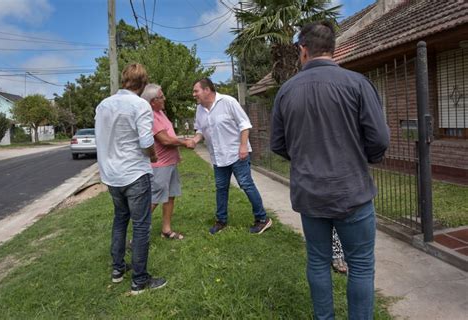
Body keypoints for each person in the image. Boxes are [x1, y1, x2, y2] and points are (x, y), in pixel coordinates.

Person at [271, 21, 389, 319]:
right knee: (361, 265)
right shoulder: (358, 83)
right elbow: (379, 139)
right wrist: (359, 160)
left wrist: (304, 159)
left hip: (310, 195)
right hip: (353, 191)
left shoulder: (286, 91)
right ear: (333, 49)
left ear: (303, 50)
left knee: (318, 261)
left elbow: (277, 144)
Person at [95, 63, 167, 295]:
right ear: (144, 83)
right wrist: (154, 157)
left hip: (111, 175)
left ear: (124, 80)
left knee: (119, 220)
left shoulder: (103, 105)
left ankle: (117, 270)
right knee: (141, 226)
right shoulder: (140, 106)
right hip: (134, 173)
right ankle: (140, 281)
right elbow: (147, 143)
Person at [190, 78, 272, 235]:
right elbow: (200, 130)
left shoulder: (228, 102)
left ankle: (262, 219)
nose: (194, 94)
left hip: (236, 154)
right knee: (221, 188)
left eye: (196, 91)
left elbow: (245, 124)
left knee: (246, 184)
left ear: (207, 90)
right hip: (218, 157)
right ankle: (221, 221)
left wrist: (243, 147)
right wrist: (195, 140)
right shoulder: (200, 109)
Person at [141, 83, 194, 240]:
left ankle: (166, 229)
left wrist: (177, 153)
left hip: (170, 163)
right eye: (161, 96)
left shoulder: (160, 113)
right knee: (154, 199)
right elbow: (164, 140)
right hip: (159, 166)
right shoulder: (150, 115)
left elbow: (169, 135)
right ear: (152, 101)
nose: (164, 98)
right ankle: (139, 235)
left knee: (170, 196)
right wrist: (184, 143)